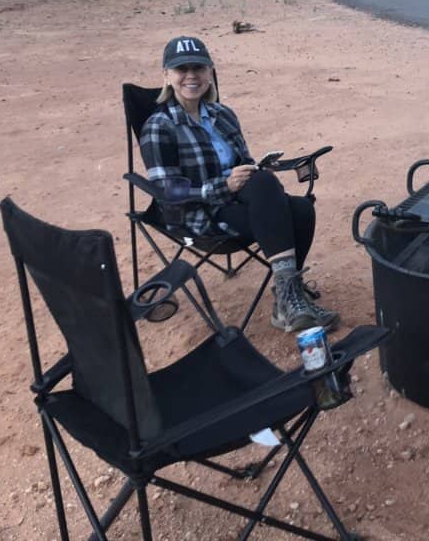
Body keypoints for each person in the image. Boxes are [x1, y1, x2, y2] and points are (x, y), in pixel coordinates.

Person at [140, 36, 339, 333]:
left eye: (199, 67)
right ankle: (290, 300)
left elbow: (242, 163)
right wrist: (223, 186)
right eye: (182, 69)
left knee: (297, 207)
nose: (191, 76)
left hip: (240, 204)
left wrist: (255, 168)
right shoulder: (159, 126)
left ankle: (287, 299)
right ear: (166, 76)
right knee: (290, 207)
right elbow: (168, 192)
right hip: (199, 215)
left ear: (210, 73)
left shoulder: (223, 115)